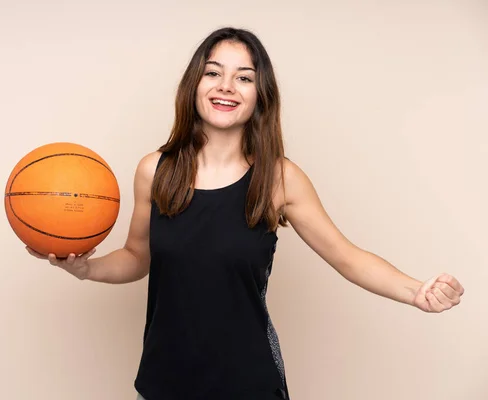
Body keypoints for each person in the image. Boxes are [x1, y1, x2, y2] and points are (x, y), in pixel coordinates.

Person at [27, 27, 465, 400]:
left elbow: (347, 257)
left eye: (244, 78)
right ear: (193, 84)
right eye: (213, 72)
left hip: (248, 384)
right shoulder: (154, 170)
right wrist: (85, 268)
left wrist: (415, 291)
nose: (225, 86)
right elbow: (137, 258)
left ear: (260, 95)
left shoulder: (279, 179)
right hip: (164, 381)